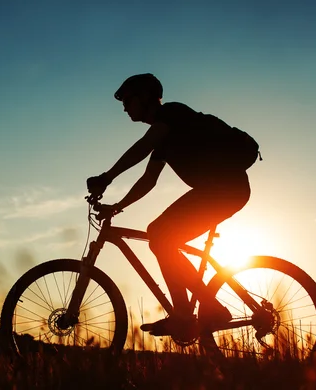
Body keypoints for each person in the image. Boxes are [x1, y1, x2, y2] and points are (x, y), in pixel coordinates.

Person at [86, 73, 254, 337]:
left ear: (144, 98)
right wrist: (117, 206)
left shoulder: (173, 114)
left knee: (160, 235)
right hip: (218, 191)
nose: (124, 107)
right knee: (160, 235)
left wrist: (107, 177)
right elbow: (148, 180)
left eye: (128, 100)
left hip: (225, 189)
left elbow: (142, 146)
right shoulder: (163, 136)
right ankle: (188, 314)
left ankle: (187, 315)